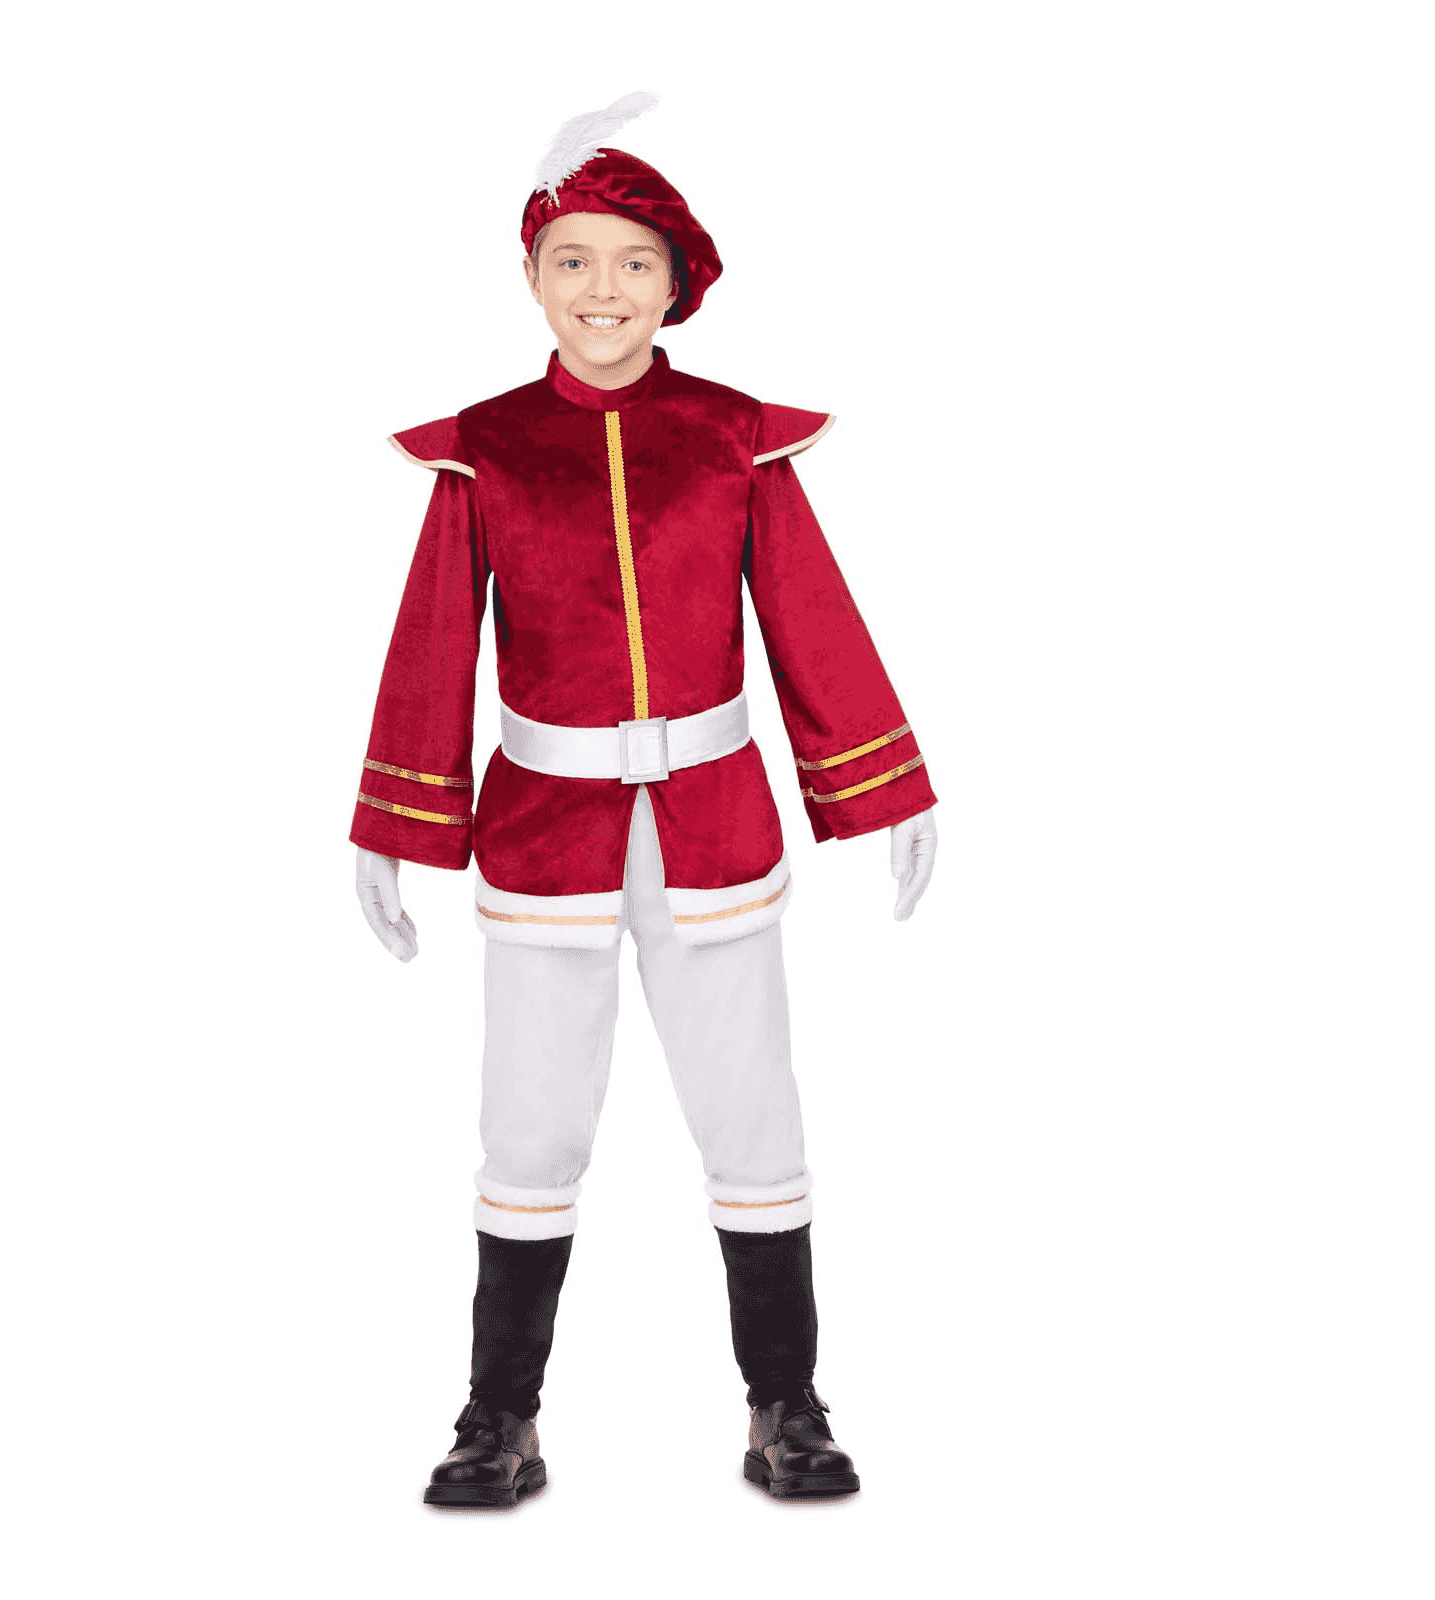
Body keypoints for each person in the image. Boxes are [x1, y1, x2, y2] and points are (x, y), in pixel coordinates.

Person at [351, 93, 939, 1506]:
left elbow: (808, 615)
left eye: (632, 263)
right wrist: (392, 823)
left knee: (751, 1116)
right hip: (543, 836)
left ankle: (786, 1401)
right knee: (529, 1126)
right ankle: (498, 1415)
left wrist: (888, 785)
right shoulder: (487, 448)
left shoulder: (733, 436)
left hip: (714, 826)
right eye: (572, 261)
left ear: (677, 284)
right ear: (531, 276)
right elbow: (433, 640)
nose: (601, 289)